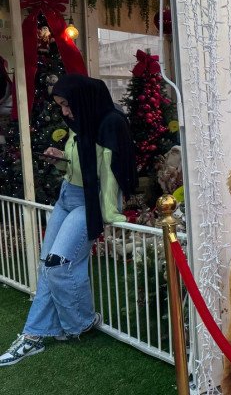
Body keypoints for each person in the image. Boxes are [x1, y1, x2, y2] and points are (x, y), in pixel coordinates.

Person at [0, 75, 137, 366]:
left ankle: (81, 322)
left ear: (82, 99)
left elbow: (110, 173)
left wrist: (108, 213)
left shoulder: (111, 123)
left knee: (57, 263)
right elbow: (82, 162)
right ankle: (33, 335)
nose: (64, 112)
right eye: (61, 105)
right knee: (47, 263)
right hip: (67, 195)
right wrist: (60, 157)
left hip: (90, 200)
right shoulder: (81, 119)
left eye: (66, 104)